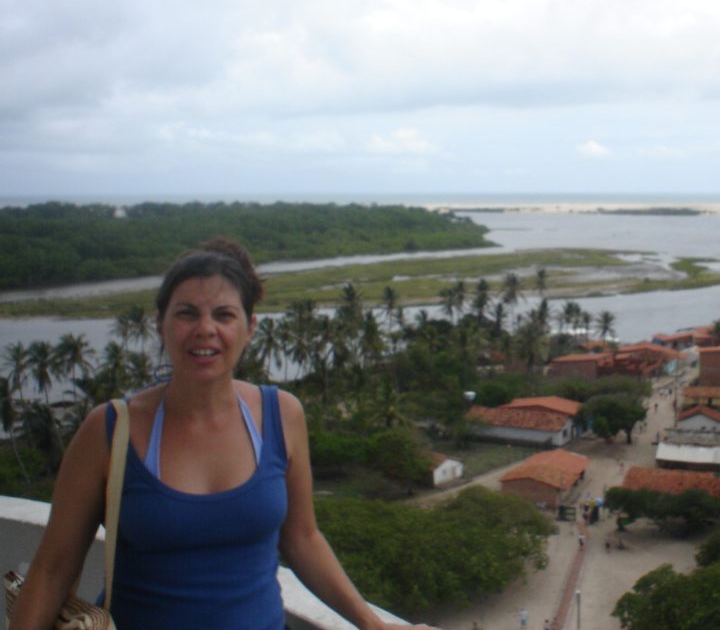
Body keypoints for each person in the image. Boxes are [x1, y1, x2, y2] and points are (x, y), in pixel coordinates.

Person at [10, 237, 438, 630]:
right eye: (187, 313)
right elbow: (53, 568)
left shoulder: (280, 415)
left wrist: (373, 624)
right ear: (161, 325)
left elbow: (303, 538)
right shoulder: (110, 430)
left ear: (249, 329)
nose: (205, 329)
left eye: (224, 315)